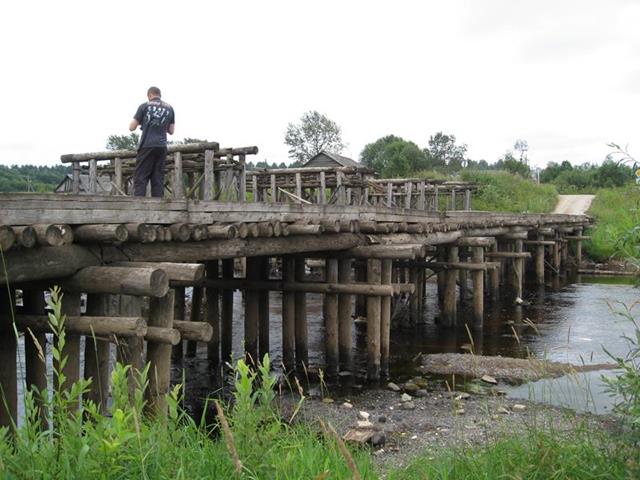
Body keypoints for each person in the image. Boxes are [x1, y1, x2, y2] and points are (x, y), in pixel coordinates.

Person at [129, 86, 175, 197]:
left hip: (147, 145)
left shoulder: (144, 106)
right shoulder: (170, 108)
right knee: (158, 178)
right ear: (159, 95)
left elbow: (131, 127)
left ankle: (139, 208)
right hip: (162, 146)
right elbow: (171, 131)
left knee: (141, 177)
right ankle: (158, 209)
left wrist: (144, 122)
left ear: (149, 95)